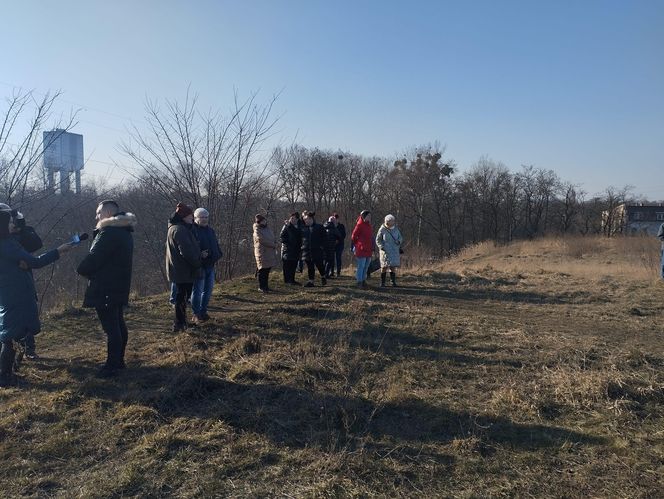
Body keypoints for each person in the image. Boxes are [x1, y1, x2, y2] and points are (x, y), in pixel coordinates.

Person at [0, 210, 78, 387]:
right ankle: (4, 377)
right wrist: (58, 251)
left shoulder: (9, 242)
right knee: (11, 336)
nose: (14, 224)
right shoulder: (6, 245)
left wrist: (21, 263)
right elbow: (36, 262)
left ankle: (9, 373)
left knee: (14, 334)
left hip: (11, 293)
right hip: (14, 294)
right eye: (10, 222)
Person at [76, 200, 137, 378]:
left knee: (111, 327)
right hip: (117, 284)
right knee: (117, 323)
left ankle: (112, 365)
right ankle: (119, 361)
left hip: (106, 286)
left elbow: (95, 257)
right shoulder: (124, 231)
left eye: (98, 213)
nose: (96, 216)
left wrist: (82, 269)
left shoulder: (110, 232)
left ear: (108, 213)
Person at [0, 204, 43, 359]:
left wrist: (22, 227)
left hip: (20, 282)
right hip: (7, 284)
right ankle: (7, 364)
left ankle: (28, 349)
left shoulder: (19, 234)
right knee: (7, 323)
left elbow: (36, 244)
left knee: (24, 318)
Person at [166, 203, 203, 332]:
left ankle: (182, 322)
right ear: (183, 217)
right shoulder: (180, 230)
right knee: (181, 298)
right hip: (183, 270)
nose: (192, 218)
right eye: (189, 216)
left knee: (182, 297)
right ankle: (179, 324)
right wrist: (197, 262)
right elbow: (186, 251)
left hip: (181, 270)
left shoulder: (178, 228)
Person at [191, 208, 222, 322]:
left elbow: (215, 244)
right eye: (202, 217)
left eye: (206, 217)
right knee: (197, 291)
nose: (204, 219)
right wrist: (199, 254)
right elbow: (189, 249)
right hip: (199, 266)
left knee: (208, 291)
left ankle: (203, 312)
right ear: (195, 218)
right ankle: (196, 314)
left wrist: (218, 254)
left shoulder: (210, 230)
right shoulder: (192, 231)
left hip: (210, 264)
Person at [375, 214, 404, 287]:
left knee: (393, 266)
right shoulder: (382, 229)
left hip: (394, 250)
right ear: (387, 222)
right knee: (384, 266)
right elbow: (378, 240)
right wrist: (381, 247)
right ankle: (382, 282)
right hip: (385, 251)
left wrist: (399, 241)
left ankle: (393, 282)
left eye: (393, 221)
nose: (393, 222)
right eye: (391, 221)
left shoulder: (396, 229)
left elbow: (400, 237)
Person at [300, 211, 327, 287]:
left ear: (311, 219)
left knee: (320, 265)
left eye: (307, 219)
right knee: (310, 267)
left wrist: (322, 247)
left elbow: (325, 238)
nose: (305, 221)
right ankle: (311, 281)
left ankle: (323, 276)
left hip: (317, 250)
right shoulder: (303, 228)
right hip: (307, 251)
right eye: (304, 220)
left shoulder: (319, 227)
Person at [253, 214, 278, 292]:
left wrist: (276, 243)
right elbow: (261, 240)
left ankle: (266, 286)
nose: (265, 222)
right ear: (259, 222)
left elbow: (272, 237)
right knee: (262, 270)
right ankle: (261, 287)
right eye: (263, 221)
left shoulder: (267, 228)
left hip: (269, 252)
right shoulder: (257, 230)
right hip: (262, 252)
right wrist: (273, 245)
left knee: (267, 270)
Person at [351, 210, 374, 289]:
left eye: (370, 216)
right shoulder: (359, 225)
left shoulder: (369, 225)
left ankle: (364, 281)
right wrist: (358, 244)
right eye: (368, 216)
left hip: (369, 249)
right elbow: (353, 236)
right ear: (364, 216)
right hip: (361, 249)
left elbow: (371, 237)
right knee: (361, 265)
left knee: (366, 266)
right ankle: (359, 282)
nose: (370, 217)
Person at [280, 212, 302, 285]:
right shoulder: (286, 226)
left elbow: (298, 235)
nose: (292, 220)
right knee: (287, 265)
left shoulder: (299, 226)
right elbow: (282, 236)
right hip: (287, 249)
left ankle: (292, 280)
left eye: (294, 218)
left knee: (293, 265)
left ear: (297, 219)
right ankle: (287, 281)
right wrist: (286, 243)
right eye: (291, 218)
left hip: (296, 249)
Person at [333, 212, 346, 277]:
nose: (336, 220)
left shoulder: (341, 226)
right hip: (332, 244)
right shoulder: (331, 226)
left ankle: (338, 272)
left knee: (338, 258)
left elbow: (344, 235)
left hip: (340, 244)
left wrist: (338, 240)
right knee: (331, 258)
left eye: (337, 218)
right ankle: (331, 272)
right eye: (335, 218)